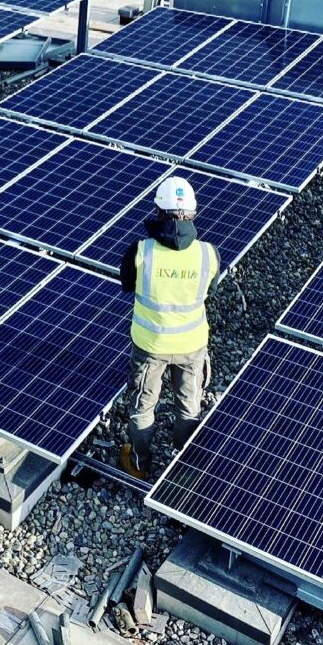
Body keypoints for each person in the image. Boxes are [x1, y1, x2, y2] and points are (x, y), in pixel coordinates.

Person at [118, 176, 220, 479]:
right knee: (189, 406)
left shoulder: (140, 251)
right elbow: (210, 289)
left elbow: (127, 283)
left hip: (150, 346)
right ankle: (184, 469)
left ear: (158, 211)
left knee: (143, 405)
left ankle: (139, 464)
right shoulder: (208, 254)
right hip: (192, 346)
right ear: (193, 213)